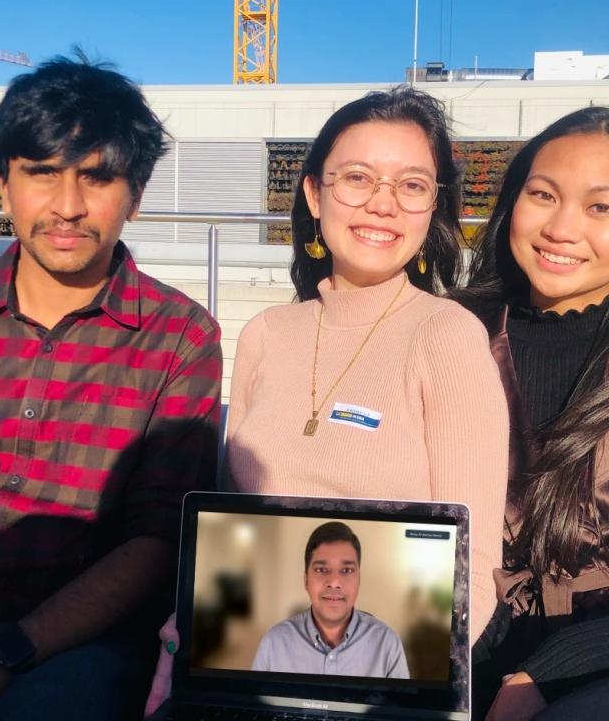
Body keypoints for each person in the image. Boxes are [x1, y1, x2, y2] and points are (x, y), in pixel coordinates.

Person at [145, 87, 509, 716]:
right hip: (248, 667)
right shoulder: (265, 333)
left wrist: (377, 695)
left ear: (433, 208)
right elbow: (232, 536)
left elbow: (471, 569)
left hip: (383, 685)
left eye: (412, 185)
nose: (383, 203)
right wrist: (191, 628)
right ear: (314, 194)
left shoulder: (446, 335)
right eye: (358, 177)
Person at [0, 57, 222, 721]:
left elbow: (157, 539)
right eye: (42, 172)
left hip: (81, 640)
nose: (68, 206)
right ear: (3, 186)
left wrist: (2, 657)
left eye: (97, 177)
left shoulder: (181, 337)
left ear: (134, 196)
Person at [456, 107, 609, 720]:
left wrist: (548, 673)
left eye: (601, 207)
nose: (561, 228)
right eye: (543, 195)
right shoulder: (450, 332)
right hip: (450, 651)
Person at [252, 521, 409, 678]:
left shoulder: (387, 644)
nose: (334, 582)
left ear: (359, 580)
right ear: (306, 580)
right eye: (321, 569)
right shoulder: (274, 643)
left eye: (346, 570)